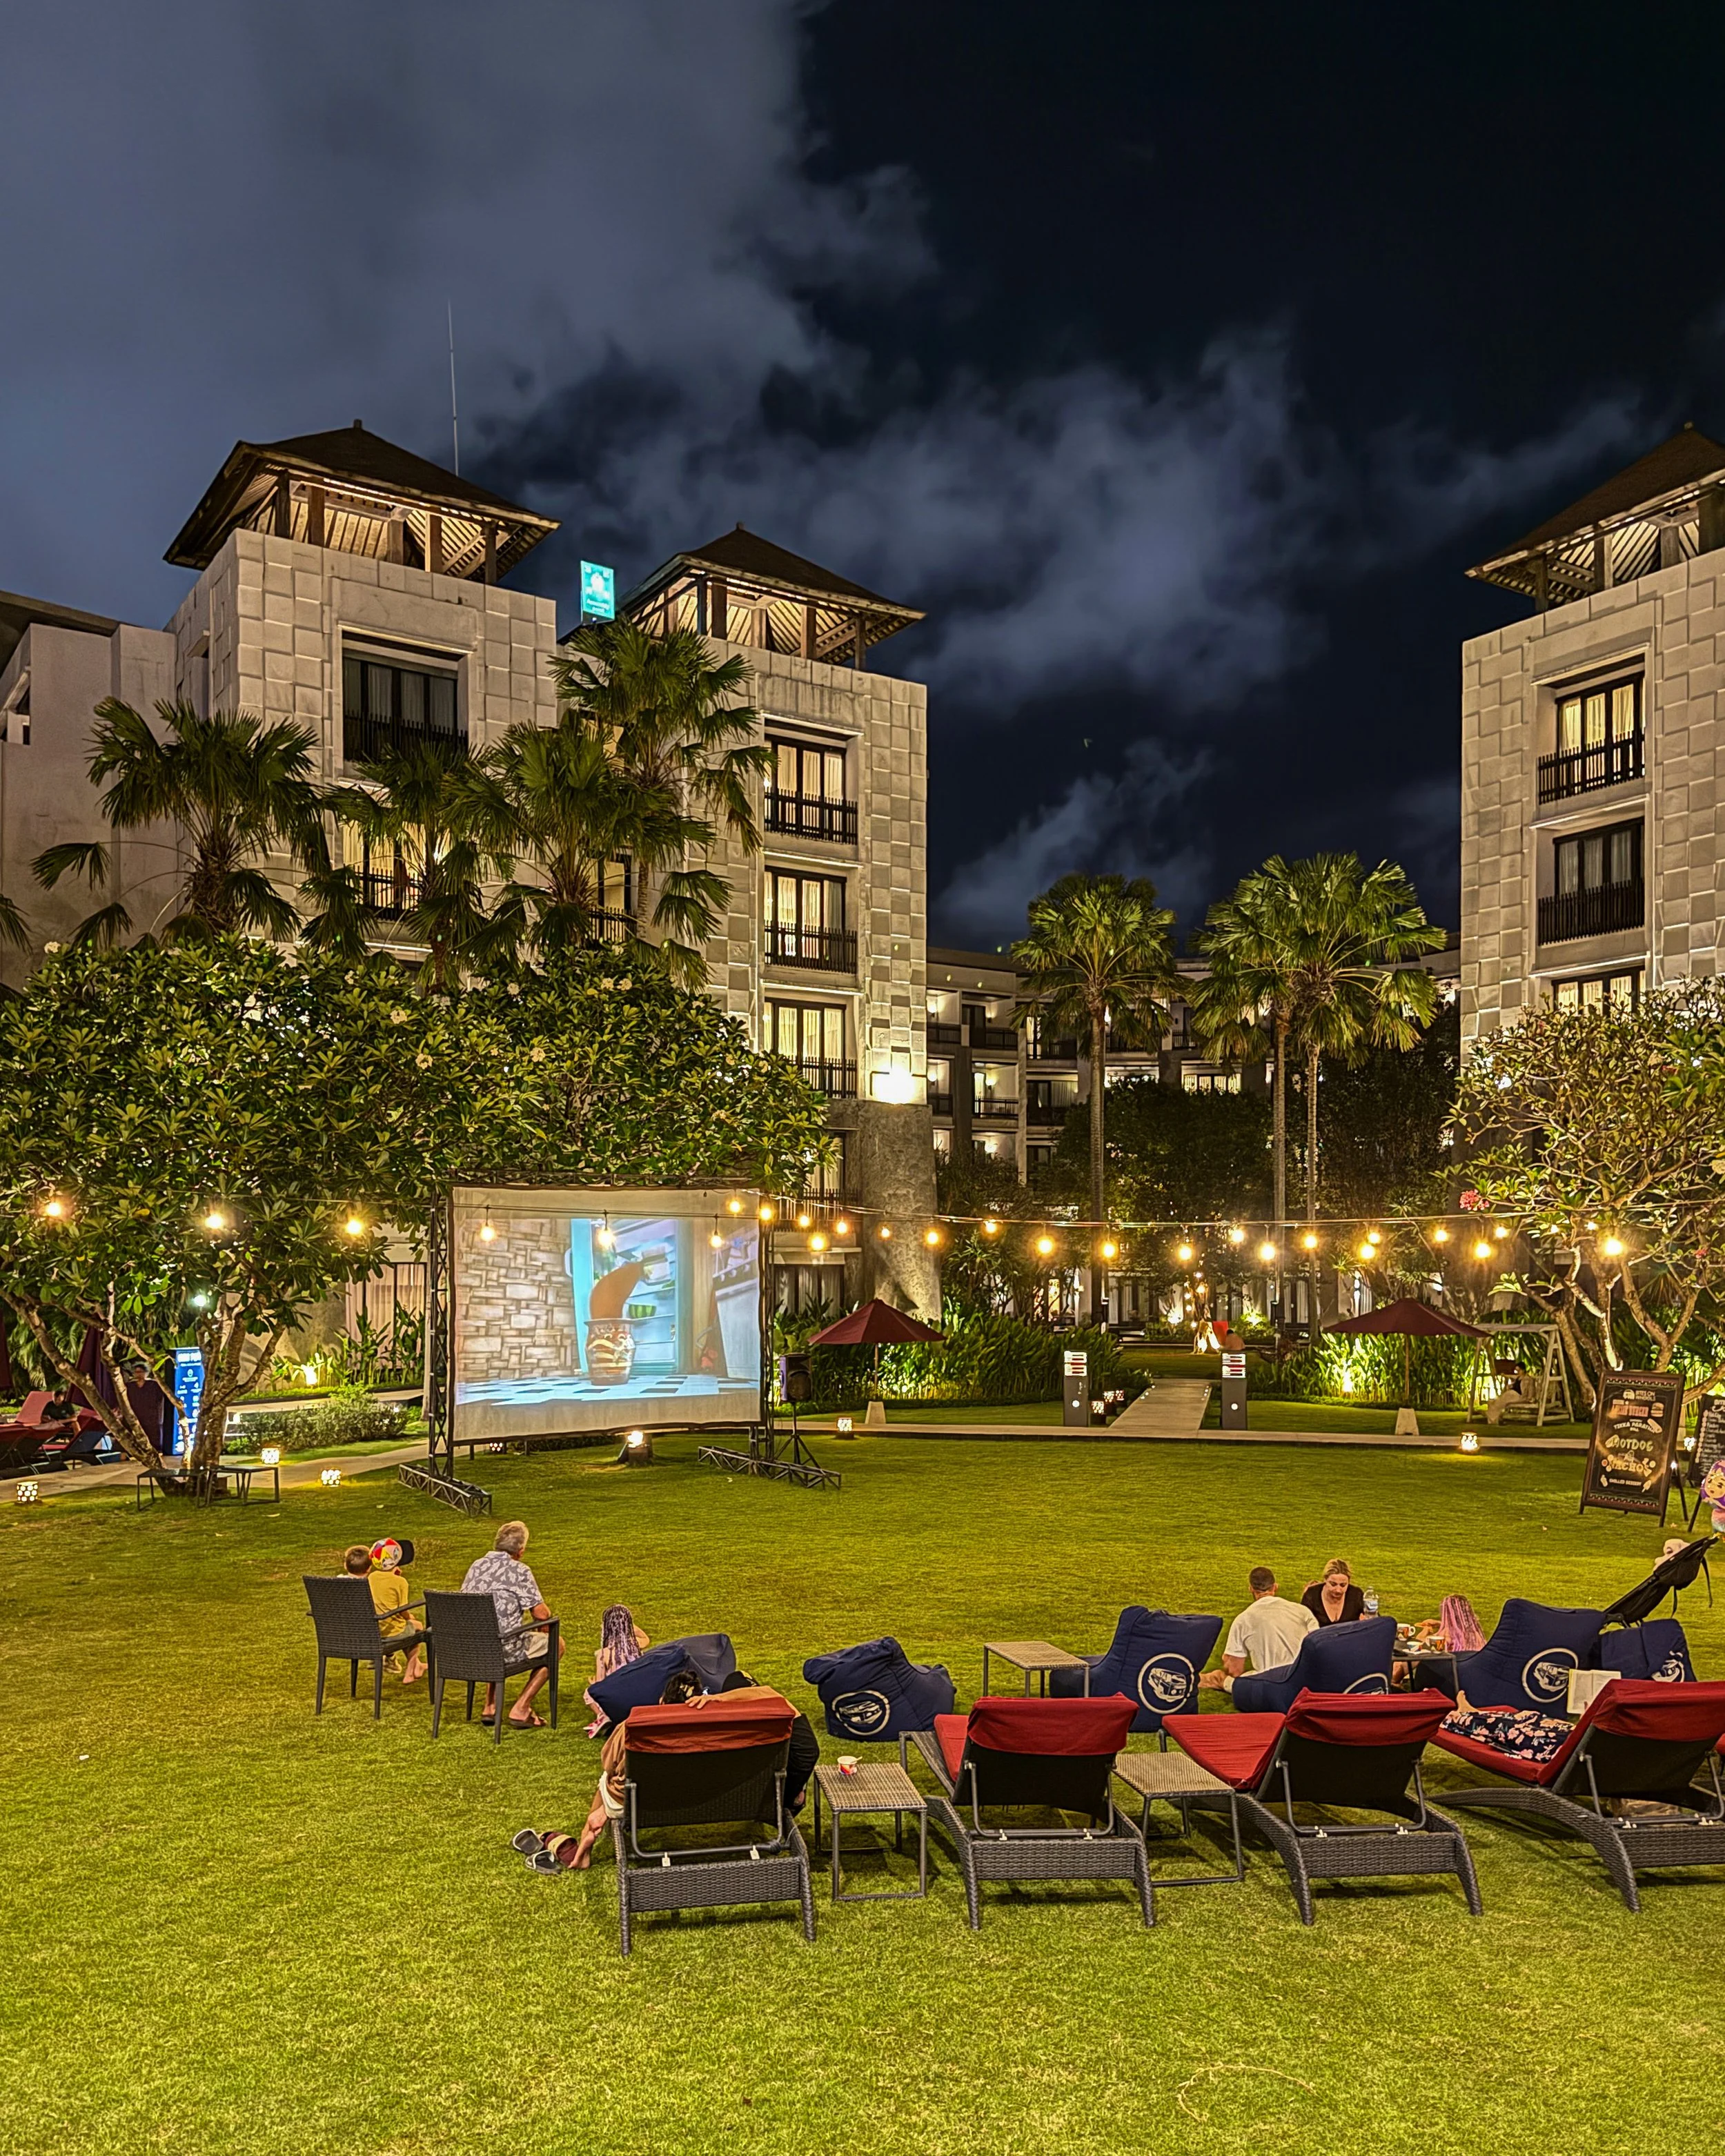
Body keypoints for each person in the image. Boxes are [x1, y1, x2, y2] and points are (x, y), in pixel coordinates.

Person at [460, 1521, 563, 1729]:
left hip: (471, 1648)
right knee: (556, 1644)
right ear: (521, 1551)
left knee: (492, 1629)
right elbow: (541, 1613)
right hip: (503, 1649)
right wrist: (542, 1623)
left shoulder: (476, 1565)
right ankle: (521, 1708)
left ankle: (490, 1706)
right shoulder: (519, 1571)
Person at [1200, 1566, 1318, 1691]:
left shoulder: (1243, 1619)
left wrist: (1228, 1662)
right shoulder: (1302, 1611)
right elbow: (1318, 1646)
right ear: (1275, 1587)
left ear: (1251, 1589)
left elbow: (1234, 1670)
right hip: (1307, 1682)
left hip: (1269, 1686)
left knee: (1220, 1678)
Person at [364, 1538, 426, 1684]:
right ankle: (410, 1672)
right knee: (417, 1627)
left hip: (375, 1629)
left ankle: (418, 1666)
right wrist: (410, 1617)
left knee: (409, 1628)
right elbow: (402, 1610)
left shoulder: (372, 1577)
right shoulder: (401, 1582)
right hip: (392, 1632)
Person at [584, 1603, 651, 1735]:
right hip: (637, 1692)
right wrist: (628, 1625)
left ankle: (603, 1717)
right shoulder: (636, 1645)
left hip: (615, 1696)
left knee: (589, 1693)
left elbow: (600, 1684)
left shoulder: (604, 1654)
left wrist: (593, 1684)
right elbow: (645, 1638)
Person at [1301, 1558, 1366, 1628]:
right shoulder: (1311, 1595)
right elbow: (1301, 1624)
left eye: (1343, 1585)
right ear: (1325, 1579)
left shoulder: (1356, 1595)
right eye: (1333, 1584)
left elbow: (1376, 1621)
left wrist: (1367, 1621)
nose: (1338, 1590)